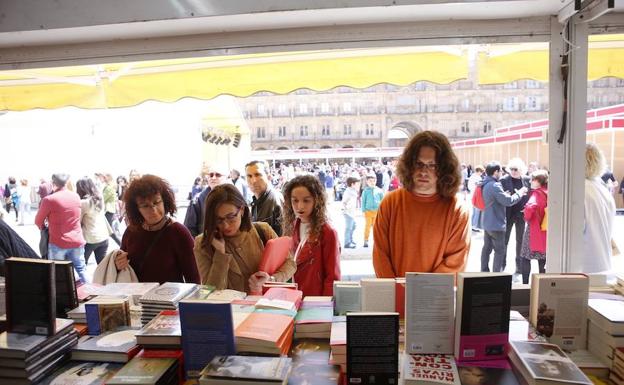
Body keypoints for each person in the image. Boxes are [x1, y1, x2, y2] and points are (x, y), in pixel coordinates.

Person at [373, 130, 470, 277]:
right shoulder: (390, 203)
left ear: (444, 168)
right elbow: (380, 255)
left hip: (435, 297)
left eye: (432, 165)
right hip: (394, 295)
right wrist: (396, 291)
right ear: (409, 166)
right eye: (419, 163)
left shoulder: (457, 209)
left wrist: (421, 293)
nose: (423, 171)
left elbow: (455, 263)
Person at [193, 184, 295, 293]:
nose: (225, 225)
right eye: (218, 220)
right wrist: (220, 255)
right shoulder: (203, 243)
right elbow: (211, 292)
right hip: (231, 309)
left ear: (241, 210)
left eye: (231, 217)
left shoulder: (262, 230)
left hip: (266, 305)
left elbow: (290, 263)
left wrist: (271, 279)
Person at [114, 174, 200, 284]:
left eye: (156, 202)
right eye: (145, 206)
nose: (153, 210)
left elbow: (194, 279)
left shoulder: (178, 232)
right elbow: (123, 267)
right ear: (137, 209)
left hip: (170, 299)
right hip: (136, 298)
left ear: (165, 200)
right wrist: (118, 264)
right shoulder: (131, 232)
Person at [281, 175, 341, 296]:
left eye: (306, 200)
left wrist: (325, 304)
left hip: (315, 299)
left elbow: (333, 276)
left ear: (316, 201)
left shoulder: (328, 232)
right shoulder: (291, 227)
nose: (300, 206)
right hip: (292, 296)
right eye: (295, 201)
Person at [35, 173, 88, 283]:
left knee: (57, 274)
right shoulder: (76, 196)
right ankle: (91, 297)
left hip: (58, 243)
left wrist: (43, 227)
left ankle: (61, 298)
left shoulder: (49, 200)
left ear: (53, 183)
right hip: (77, 241)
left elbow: (38, 221)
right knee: (81, 270)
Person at [574, 143, 616, 273]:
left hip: (582, 268)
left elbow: (573, 232)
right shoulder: (602, 189)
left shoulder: (578, 190)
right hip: (602, 263)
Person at [480, 162, 528, 273]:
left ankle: (484, 272)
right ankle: (497, 274)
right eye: (501, 171)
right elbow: (508, 201)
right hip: (496, 223)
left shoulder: (485, 183)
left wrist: (503, 195)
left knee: (486, 249)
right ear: (496, 172)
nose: (503, 173)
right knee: (500, 250)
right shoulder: (495, 185)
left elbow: (495, 198)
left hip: (488, 222)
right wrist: (519, 193)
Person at [500, 158, 531, 277]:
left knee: (520, 241)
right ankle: (502, 265)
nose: (513, 171)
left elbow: (531, 195)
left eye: (515, 169)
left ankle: (519, 266)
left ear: (521, 170)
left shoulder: (527, 180)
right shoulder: (503, 180)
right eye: (511, 169)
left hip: (522, 215)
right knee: (504, 241)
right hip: (507, 215)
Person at [519, 170, 548, 284]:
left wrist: (526, 216)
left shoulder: (536, 193)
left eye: (533, 179)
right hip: (545, 229)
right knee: (542, 258)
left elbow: (530, 206)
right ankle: (543, 285)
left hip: (534, 229)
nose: (530, 181)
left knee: (525, 257)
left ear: (538, 181)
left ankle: (525, 284)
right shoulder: (547, 191)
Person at [183, 165, 228, 237]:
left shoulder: (234, 197)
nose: (213, 178)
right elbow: (189, 228)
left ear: (226, 177)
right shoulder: (197, 200)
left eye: (218, 175)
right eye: (211, 175)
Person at [76, 177, 110, 265]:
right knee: (102, 267)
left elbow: (77, 222)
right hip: (103, 236)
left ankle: (84, 279)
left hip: (90, 239)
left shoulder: (84, 202)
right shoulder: (100, 198)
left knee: (82, 265)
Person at [246, 160, 284, 236]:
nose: (253, 181)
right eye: (249, 176)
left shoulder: (275, 200)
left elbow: (282, 239)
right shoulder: (256, 200)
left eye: (258, 175)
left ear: (269, 177)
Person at [361, 174, 384, 248]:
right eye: (370, 181)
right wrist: (363, 211)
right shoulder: (365, 191)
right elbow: (363, 201)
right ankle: (366, 240)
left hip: (377, 212)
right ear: (367, 182)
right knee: (367, 226)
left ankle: (376, 241)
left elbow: (382, 201)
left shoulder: (379, 190)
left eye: (374, 181)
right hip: (368, 211)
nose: (372, 182)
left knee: (376, 227)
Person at [101, 173, 121, 246]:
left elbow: (102, 199)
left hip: (108, 211)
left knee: (110, 231)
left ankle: (121, 245)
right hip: (109, 211)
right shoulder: (109, 187)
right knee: (109, 230)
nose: (101, 179)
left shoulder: (109, 188)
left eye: (102, 177)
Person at [341, 177, 360, 249]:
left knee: (353, 226)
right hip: (348, 212)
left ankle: (350, 240)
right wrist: (345, 209)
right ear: (352, 184)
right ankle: (347, 242)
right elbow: (344, 202)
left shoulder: (353, 191)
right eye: (357, 184)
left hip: (351, 212)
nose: (358, 185)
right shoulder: (348, 192)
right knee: (348, 227)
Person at [467, 165, 485, 231]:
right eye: (481, 171)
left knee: (474, 211)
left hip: (472, 195)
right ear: (479, 171)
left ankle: (472, 225)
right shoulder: (478, 178)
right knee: (477, 211)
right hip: (477, 196)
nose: (482, 173)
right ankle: (474, 226)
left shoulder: (472, 176)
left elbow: (469, 187)